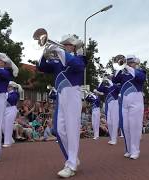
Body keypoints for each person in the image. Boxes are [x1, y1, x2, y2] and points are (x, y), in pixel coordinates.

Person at [37, 34, 86, 178]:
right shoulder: (57, 61)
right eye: (63, 44)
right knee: (58, 129)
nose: (64, 46)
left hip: (72, 93)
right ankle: (73, 159)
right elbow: (41, 67)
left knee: (71, 129)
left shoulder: (79, 58)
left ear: (74, 47)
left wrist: (59, 51)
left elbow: (77, 66)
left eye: (68, 45)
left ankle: (70, 164)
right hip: (60, 94)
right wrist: (44, 53)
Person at [113, 55, 146, 160]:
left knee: (134, 127)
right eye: (128, 62)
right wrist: (119, 68)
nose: (129, 63)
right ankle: (129, 149)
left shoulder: (141, 71)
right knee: (125, 127)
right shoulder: (124, 74)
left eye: (131, 62)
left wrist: (127, 67)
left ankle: (135, 150)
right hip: (124, 102)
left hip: (136, 101)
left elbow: (141, 78)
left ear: (136, 63)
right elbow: (114, 80)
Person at [97, 76, 120, 144]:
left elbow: (119, 89)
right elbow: (99, 88)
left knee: (114, 121)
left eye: (110, 78)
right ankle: (111, 137)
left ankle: (114, 139)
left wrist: (111, 82)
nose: (108, 80)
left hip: (115, 104)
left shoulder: (115, 87)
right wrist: (102, 80)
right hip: (108, 105)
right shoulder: (106, 88)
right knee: (109, 122)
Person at [2, 81, 20, 148]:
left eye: (9, 86)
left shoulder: (15, 93)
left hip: (12, 109)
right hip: (5, 110)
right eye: (7, 86)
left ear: (12, 87)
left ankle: (7, 142)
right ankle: (10, 139)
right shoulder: (6, 93)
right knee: (2, 125)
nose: (7, 88)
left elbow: (12, 100)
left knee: (8, 125)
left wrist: (5, 95)